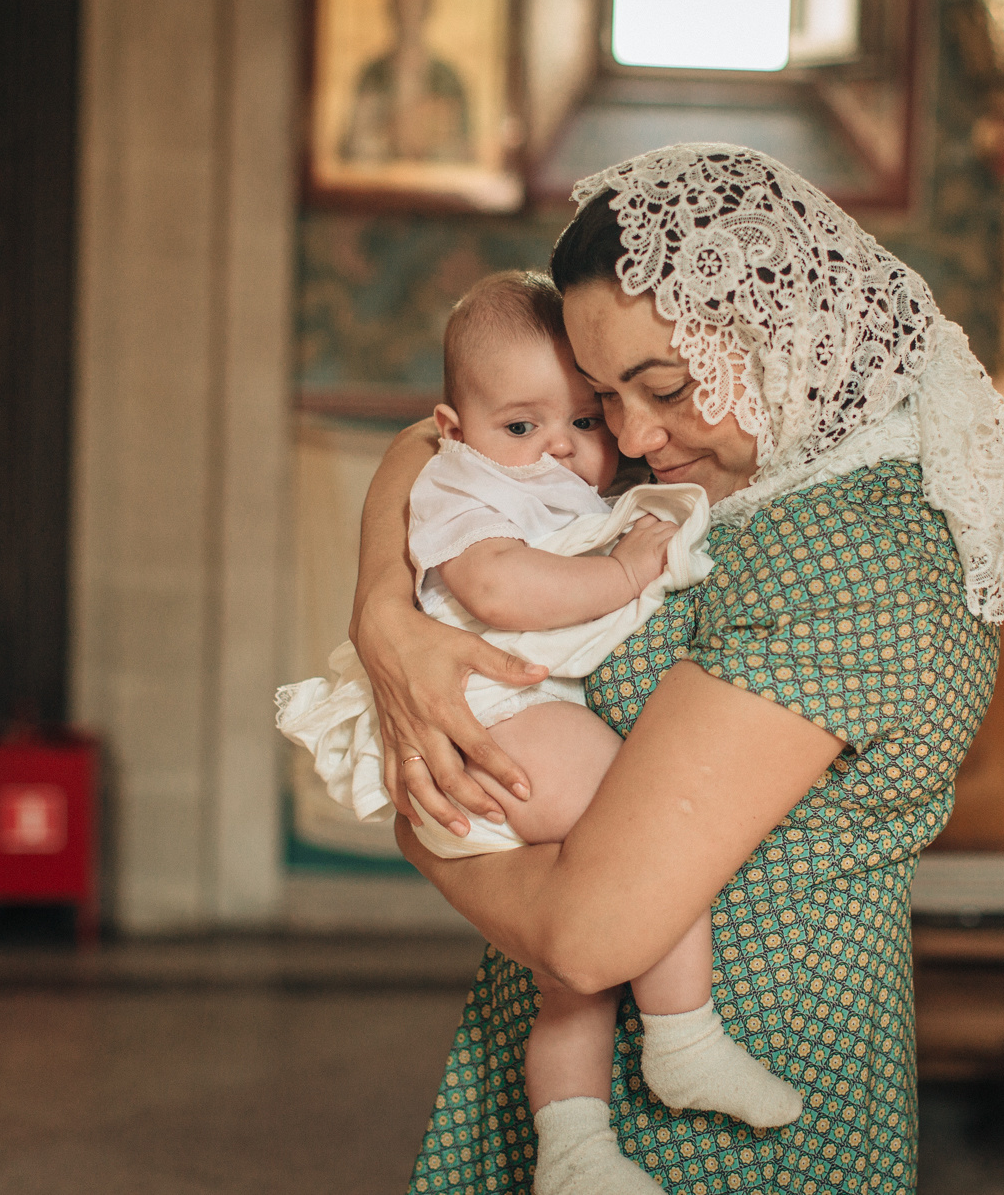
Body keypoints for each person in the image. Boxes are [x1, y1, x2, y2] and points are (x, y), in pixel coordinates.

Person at [345, 144, 1004, 1194]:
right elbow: (438, 442)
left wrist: (423, 826)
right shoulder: (731, 451)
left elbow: (589, 940)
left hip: (726, 1110)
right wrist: (380, 612)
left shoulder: (859, 553)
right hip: (562, 1070)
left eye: (663, 387)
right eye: (602, 399)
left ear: (769, 334)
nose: (628, 435)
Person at [275, 271, 802, 1195]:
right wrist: (627, 572)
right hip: (500, 717)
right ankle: (683, 1034)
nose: (561, 446)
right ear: (458, 429)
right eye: (523, 427)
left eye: (583, 422)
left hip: (504, 727)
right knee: (646, 840)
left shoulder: (557, 471)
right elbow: (499, 589)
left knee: (572, 988)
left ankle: (572, 1146)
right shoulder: (468, 486)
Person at [340, 0, 472, 164]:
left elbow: (464, 147)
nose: (409, 19)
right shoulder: (374, 74)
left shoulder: (446, 77)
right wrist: (388, 134)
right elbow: (353, 144)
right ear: (393, 15)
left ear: (426, 15)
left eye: (416, 10)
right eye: (403, 10)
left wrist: (430, 138)